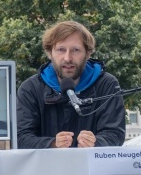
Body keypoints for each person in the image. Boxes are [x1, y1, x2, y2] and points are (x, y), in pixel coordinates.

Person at [17, 21, 126, 149]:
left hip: (91, 166)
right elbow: (21, 137)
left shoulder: (106, 84)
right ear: (50, 53)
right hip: (47, 167)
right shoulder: (31, 88)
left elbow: (115, 133)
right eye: (61, 50)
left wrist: (95, 142)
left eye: (75, 50)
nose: (68, 58)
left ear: (88, 53)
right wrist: (52, 143)